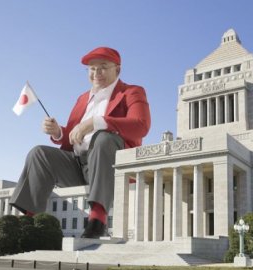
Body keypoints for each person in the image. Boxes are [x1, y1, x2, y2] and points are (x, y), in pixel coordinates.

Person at [10, 47, 151, 238]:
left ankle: (97, 219)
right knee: (38, 153)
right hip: (78, 166)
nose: (96, 73)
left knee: (103, 138)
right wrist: (59, 132)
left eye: (103, 67)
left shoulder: (132, 92)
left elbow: (141, 126)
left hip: (112, 166)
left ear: (117, 70)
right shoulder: (82, 98)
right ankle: (29, 219)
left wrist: (96, 122)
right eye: (92, 69)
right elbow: (73, 138)